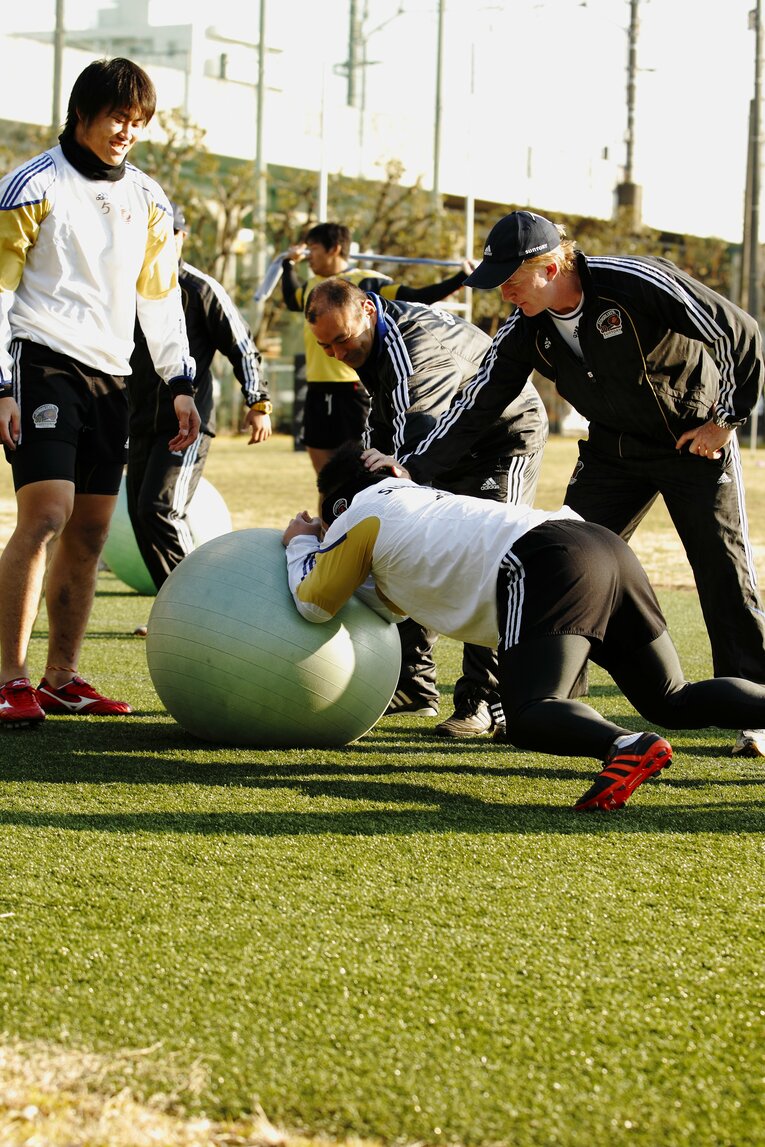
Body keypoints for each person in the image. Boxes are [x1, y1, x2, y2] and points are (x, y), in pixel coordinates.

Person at [367, 209, 765, 758]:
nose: (504, 293)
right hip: (611, 454)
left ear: (552, 265)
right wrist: (411, 467)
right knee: (569, 566)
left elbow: (740, 334)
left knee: (722, 569)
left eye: (511, 280)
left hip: (690, 441)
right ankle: (567, 712)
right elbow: (477, 404)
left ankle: (756, 716)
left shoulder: (636, 282)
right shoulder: (525, 325)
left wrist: (724, 420)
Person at [282, 443, 765, 810]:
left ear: (337, 507)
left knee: (530, 713)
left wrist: (301, 543)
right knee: (672, 698)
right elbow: (394, 604)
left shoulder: (359, 514)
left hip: (545, 561)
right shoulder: (418, 501)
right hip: (599, 543)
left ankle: (626, 745)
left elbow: (313, 604)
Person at [0, 58, 200, 729]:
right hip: (44, 364)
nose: (127, 131)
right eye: (117, 116)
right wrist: (0, 383)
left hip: (113, 377)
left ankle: (62, 678)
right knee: (46, 516)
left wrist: (178, 381)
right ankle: (10, 677)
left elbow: (159, 300)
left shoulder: (149, 198)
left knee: (88, 529)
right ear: (82, 112)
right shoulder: (31, 185)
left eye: (137, 121)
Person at [305, 276, 548, 738]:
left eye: (341, 341)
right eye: (325, 347)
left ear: (368, 312)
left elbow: (412, 444)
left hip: (503, 441)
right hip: (439, 445)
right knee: (411, 543)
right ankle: (414, 684)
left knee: (494, 559)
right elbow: (386, 427)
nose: (336, 354)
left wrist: (364, 509)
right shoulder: (366, 340)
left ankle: (485, 702)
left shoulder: (412, 353)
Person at [127, 202, 271, 598]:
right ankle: (175, 611)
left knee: (160, 509)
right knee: (140, 516)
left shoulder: (201, 289)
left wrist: (258, 402)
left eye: (167, 234)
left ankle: (201, 605)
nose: (155, 242)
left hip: (186, 426)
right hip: (137, 423)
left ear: (181, 237)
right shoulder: (125, 286)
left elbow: (242, 348)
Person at [281, 221, 473, 473]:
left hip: (353, 390)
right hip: (317, 388)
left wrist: (461, 278)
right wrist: (288, 264)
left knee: (359, 469)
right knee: (329, 481)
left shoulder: (368, 282)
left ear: (334, 249)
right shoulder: (312, 288)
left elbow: (417, 297)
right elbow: (290, 297)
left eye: (312, 248)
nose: (308, 256)